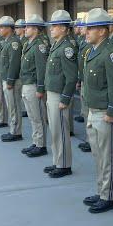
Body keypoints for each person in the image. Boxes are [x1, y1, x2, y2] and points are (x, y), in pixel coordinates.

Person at [80, 8, 113, 213]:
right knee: (98, 155)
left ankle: (109, 197)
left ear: (102, 31)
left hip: (106, 114)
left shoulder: (111, 53)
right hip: (94, 110)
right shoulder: (92, 51)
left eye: (90, 29)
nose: (86, 32)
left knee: (107, 157)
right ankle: (101, 191)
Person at [43, 10, 78, 178]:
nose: (52, 29)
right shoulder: (57, 45)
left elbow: (71, 77)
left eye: (55, 26)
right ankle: (57, 160)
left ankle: (64, 164)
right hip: (52, 93)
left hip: (59, 95)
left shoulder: (67, 48)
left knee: (61, 131)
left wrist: (65, 98)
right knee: (54, 130)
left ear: (64, 28)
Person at [19, 15, 49, 157]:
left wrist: (40, 88)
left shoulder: (39, 45)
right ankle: (36, 141)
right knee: (32, 116)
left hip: (34, 85)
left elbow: (41, 69)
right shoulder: (28, 43)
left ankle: (41, 145)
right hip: (26, 84)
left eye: (28, 26)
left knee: (38, 116)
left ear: (36, 29)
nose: (25, 29)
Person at [0, 16, 24, 142]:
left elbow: (14, 63)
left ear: (9, 28)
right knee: (11, 106)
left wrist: (10, 80)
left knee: (14, 106)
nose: (0, 29)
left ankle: (16, 132)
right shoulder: (7, 41)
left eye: (2, 27)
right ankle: (13, 129)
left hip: (12, 81)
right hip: (8, 80)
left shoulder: (14, 42)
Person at [76, 15, 93, 152]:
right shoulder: (83, 42)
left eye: (83, 27)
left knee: (89, 114)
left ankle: (90, 140)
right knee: (86, 113)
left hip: (90, 84)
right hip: (84, 80)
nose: (81, 30)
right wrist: (80, 78)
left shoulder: (90, 44)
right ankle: (89, 140)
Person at [15, 19, 29, 118]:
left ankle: (25, 109)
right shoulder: (19, 39)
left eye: (17, 28)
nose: (16, 30)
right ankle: (25, 109)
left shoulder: (25, 40)